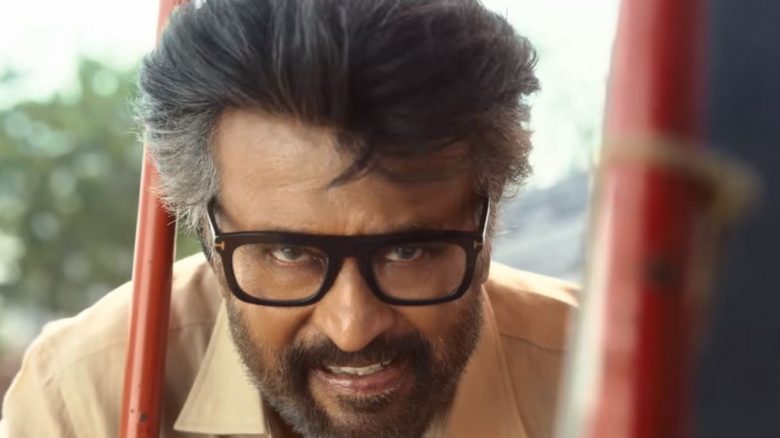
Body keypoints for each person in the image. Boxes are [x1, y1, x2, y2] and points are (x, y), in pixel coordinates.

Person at [0, 0, 577, 436]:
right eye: (288, 252)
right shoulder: (80, 398)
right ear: (208, 235)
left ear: (486, 223)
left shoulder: (606, 382)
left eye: (407, 251)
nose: (352, 327)